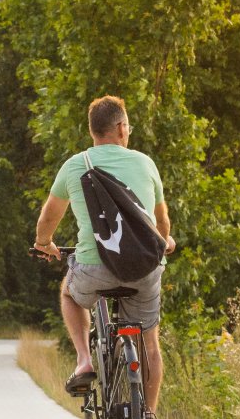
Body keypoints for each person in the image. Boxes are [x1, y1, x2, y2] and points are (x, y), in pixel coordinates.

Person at [33, 95, 175, 419]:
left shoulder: (74, 165)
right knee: (150, 341)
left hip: (94, 269)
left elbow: (47, 220)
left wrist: (45, 244)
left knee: (68, 292)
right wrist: (165, 241)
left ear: (92, 131)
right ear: (122, 127)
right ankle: (149, 412)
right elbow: (162, 222)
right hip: (144, 269)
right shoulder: (145, 163)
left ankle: (84, 359)